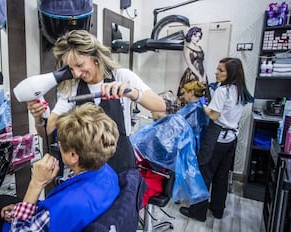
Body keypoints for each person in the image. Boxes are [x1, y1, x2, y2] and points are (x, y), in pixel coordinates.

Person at [27, 29, 166, 174]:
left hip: (121, 160)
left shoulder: (121, 76)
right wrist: (38, 118)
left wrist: (132, 92)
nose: (77, 73)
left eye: (80, 65)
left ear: (95, 57)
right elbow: (47, 130)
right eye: (71, 69)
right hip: (89, 166)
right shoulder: (73, 88)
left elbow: (160, 106)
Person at [0, 103, 121, 231]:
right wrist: (24, 210)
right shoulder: (108, 172)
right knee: (3, 202)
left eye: (60, 145)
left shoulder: (65, 206)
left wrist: (36, 184)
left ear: (73, 155)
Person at [179, 57, 254, 222]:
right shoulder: (239, 90)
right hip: (231, 137)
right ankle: (217, 209)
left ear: (231, 73)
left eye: (221, 70)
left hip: (217, 137)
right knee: (221, 175)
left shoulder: (223, 91)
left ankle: (198, 212)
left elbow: (214, 115)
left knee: (204, 173)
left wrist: (203, 104)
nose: (216, 72)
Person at [177, 26, 209, 105]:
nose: (197, 38)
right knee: (190, 94)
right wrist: (198, 75)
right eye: (195, 36)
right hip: (192, 74)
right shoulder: (187, 48)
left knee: (202, 95)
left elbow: (203, 61)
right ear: (190, 35)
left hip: (201, 72)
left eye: (199, 36)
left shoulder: (199, 48)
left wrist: (204, 75)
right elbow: (190, 64)